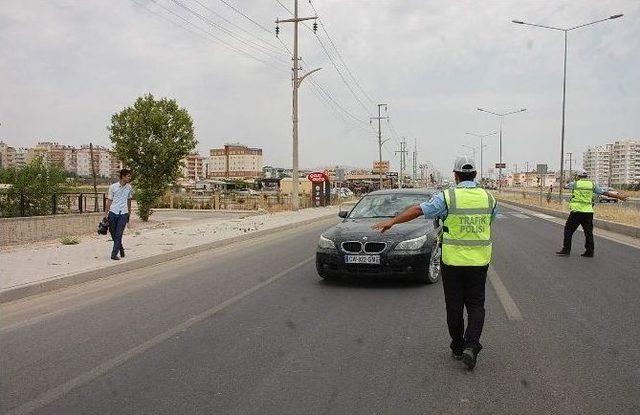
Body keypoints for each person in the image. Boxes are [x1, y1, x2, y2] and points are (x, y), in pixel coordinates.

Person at [372, 156, 497, 370]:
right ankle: (472, 345)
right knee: (476, 305)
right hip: (479, 261)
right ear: (475, 174)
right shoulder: (489, 198)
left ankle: (458, 347)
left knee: (454, 306)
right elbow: (489, 222)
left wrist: (392, 221)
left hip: (453, 262)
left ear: (456, 175)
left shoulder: (447, 197)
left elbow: (419, 210)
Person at [556, 171, 627, 257]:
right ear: (586, 177)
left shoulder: (575, 184)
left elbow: (564, 186)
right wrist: (619, 197)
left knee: (568, 230)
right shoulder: (592, 184)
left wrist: (564, 181)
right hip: (588, 212)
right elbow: (604, 192)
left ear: (578, 176)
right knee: (588, 232)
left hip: (576, 211)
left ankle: (566, 250)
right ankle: (589, 251)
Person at [105, 169, 133, 260]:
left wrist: (129, 212)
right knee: (113, 233)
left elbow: (129, 200)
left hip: (123, 213)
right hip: (113, 212)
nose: (130, 178)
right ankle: (120, 248)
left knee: (119, 234)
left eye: (130, 176)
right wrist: (106, 214)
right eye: (128, 176)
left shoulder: (129, 187)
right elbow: (109, 200)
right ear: (123, 176)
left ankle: (114, 254)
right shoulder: (113, 187)